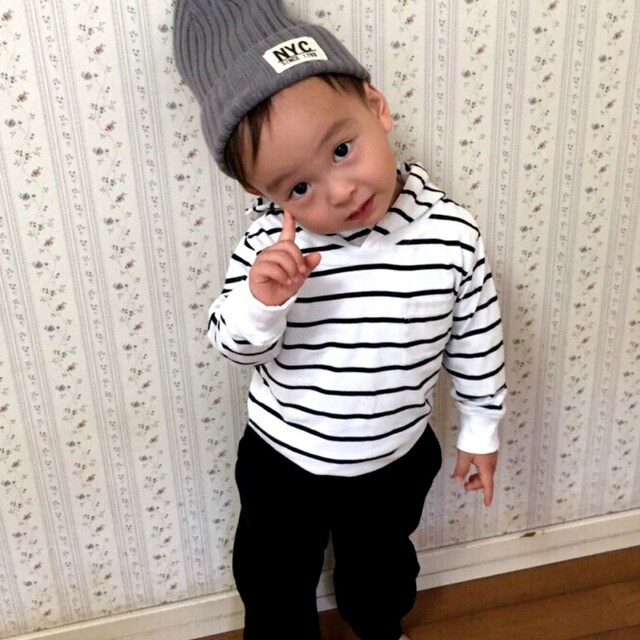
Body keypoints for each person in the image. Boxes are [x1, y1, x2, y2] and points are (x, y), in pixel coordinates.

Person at [173, 1, 507, 639]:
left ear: (377, 107)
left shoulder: (450, 233)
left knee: (381, 569)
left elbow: (476, 337)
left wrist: (480, 428)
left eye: (343, 150)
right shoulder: (271, 247)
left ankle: (379, 626)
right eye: (297, 188)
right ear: (262, 193)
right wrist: (263, 303)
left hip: (393, 455)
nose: (339, 191)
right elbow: (233, 346)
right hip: (283, 457)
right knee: (273, 577)